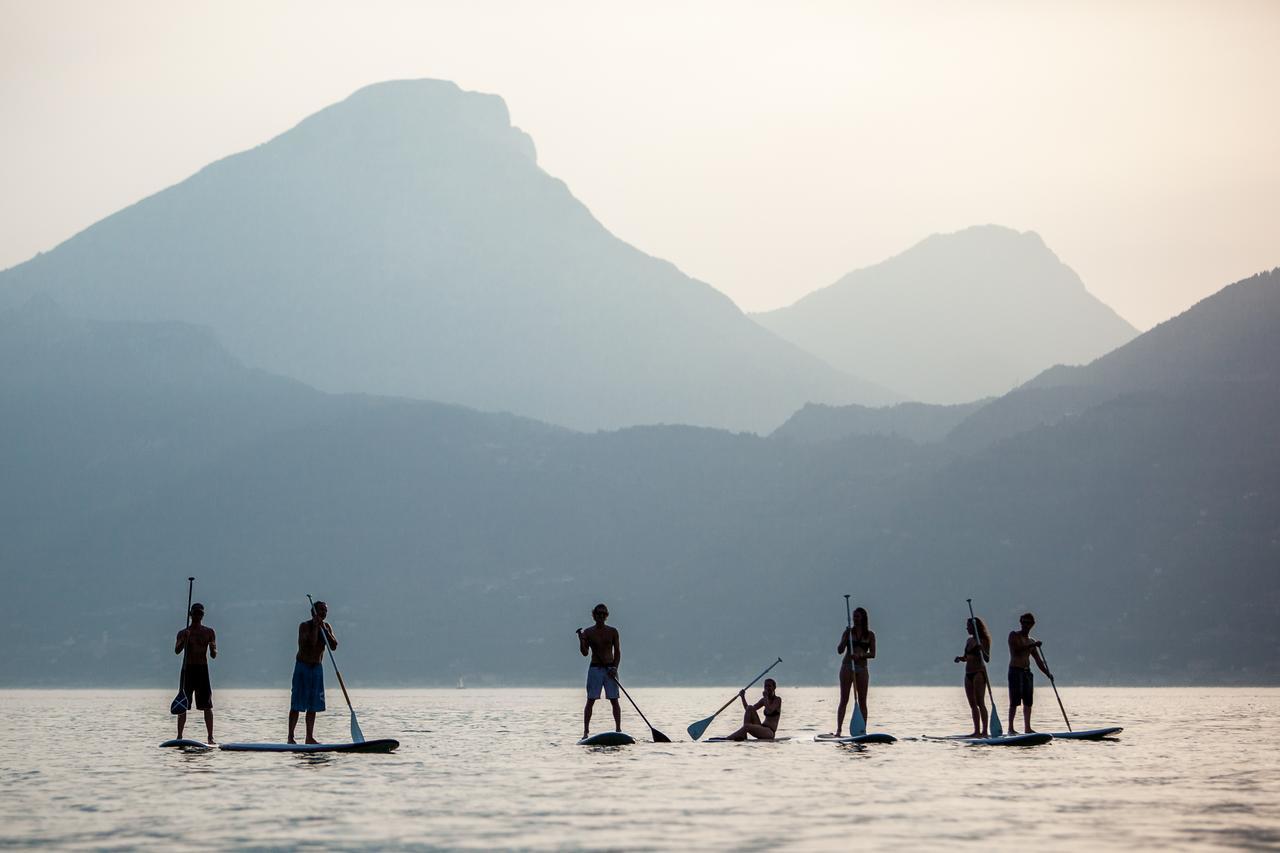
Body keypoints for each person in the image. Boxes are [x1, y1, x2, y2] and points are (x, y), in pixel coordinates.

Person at [289, 600, 337, 744]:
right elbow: (311, 643)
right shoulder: (304, 626)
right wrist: (316, 627)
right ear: (313, 612)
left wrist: (325, 629)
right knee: (297, 704)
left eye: (325, 611)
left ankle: (309, 737)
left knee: (313, 705)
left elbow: (333, 645)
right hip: (303, 667)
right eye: (320, 610)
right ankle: (290, 737)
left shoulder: (326, 627)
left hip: (316, 668)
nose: (323, 613)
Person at [576, 603, 621, 739]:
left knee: (614, 700)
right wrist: (581, 640)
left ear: (606, 616)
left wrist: (614, 668)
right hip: (595, 669)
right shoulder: (588, 632)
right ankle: (586, 732)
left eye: (603, 614)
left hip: (610, 669)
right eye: (598, 614)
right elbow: (584, 653)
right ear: (594, 616)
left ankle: (618, 729)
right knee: (590, 700)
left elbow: (617, 652)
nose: (601, 616)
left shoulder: (613, 631)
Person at [174, 602, 217, 743]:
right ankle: (179, 736)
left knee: (207, 705)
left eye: (200, 613)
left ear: (203, 615)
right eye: (195, 613)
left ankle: (210, 737)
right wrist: (183, 640)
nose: (198, 616)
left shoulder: (209, 632)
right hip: (188, 670)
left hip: (202, 670)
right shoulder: (183, 632)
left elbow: (214, 655)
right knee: (183, 705)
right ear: (190, 614)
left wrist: (212, 648)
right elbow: (177, 650)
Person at [832, 606, 876, 733]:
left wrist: (860, 655)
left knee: (862, 701)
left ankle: (862, 730)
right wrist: (845, 638)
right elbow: (839, 650)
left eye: (857, 617)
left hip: (862, 668)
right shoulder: (848, 633)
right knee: (844, 700)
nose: (855, 619)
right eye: (854, 617)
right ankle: (839, 730)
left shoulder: (870, 635)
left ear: (863, 618)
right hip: (847, 667)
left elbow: (873, 654)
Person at [1007, 612, 1052, 734]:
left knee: (1028, 701)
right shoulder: (1014, 635)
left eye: (1027, 623)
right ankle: (1010, 728)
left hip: (1027, 673)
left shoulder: (1031, 641)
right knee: (1014, 701)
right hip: (1015, 671)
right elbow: (1017, 650)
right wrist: (1032, 645)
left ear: (1032, 625)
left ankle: (1027, 728)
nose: (1025, 625)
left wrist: (1048, 674)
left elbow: (1038, 660)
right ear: (1020, 622)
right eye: (1023, 622)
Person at [954, 616, 991, 737]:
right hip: (968, 673)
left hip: (979, 673)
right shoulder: (969, 641)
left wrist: (982, 649)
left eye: (968, 626)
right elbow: (966, 657)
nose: (966, 628)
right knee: (972, 704)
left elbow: (987, 658)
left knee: (980, 702)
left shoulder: (984, 640)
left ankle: (984, 731)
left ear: (975, 627)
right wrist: (960, 658)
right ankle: (976, 731)